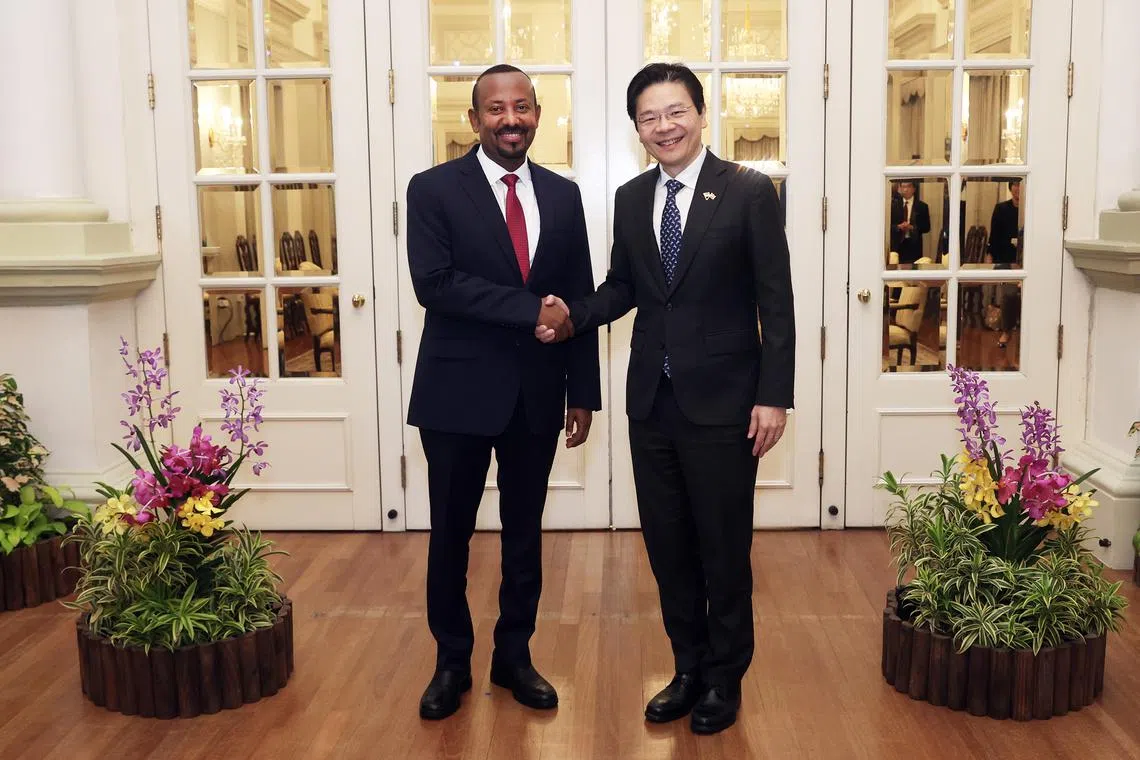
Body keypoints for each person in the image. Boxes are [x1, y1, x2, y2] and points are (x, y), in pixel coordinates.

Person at [537, 62, 795, 735]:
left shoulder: (748, 191)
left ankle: (724, 678)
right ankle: (687, 667)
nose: (664, 126)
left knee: (723, 547)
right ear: (637, 128)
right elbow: (623, 287)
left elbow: (776, 301)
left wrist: (773, 395)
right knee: (668, 546)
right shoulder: (631, 197)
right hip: (652, 401)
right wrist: (572, 316)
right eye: (649, 117)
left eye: (675, 111)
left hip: (727, 404)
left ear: (701, 114)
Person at [405, 64, 600, 720]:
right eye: (496, 109)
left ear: (537, 114)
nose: (510, 119)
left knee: (524, 536)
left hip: (538, 395)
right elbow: (435, 283)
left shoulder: (564, 195)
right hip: (455, 394)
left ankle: (514, 656)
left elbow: (577, 298)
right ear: (475, 119)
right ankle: (450, 661)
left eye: (522, 107)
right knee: (451, 535)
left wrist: (583, 391)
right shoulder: (433, 189)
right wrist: (529, 310)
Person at [987, 179, 1023, 347]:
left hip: (1027, 258)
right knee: (1009, 295)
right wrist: (990, 255)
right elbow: (994, 235)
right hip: (1006, 258)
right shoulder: (1001, 208)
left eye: (1020, 185)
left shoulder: (1031, 208)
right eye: (1015, 185)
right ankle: (1006, 331)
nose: (1018, 188)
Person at [890, 179, 931, 265]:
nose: (905, 189)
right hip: (897, 245)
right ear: (900, 188)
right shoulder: (893, 206)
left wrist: (912, 227)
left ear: (914, 189)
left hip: (914, 245)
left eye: (908, 186)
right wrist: (898, 227)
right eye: (903, 187)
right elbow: (888, 226)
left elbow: (926, 227)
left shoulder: (922, 206)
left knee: (914, 269)